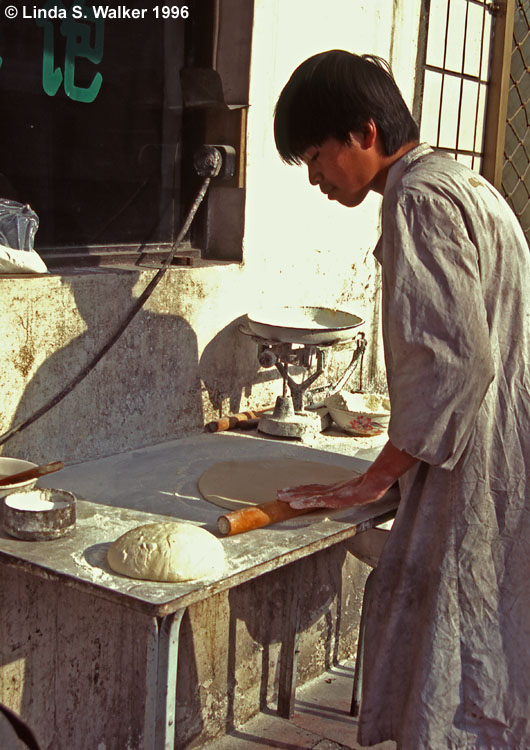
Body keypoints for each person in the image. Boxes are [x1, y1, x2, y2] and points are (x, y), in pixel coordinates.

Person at [274, 49, 530, 750]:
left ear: (365, 133)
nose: (317, 176)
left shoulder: (418, 198)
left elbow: (455, 363)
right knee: (493, 648)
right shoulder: (467, 183)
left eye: (318, 155)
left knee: (456, 662)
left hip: (474, 467)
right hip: (500, 449)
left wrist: (376, 474)